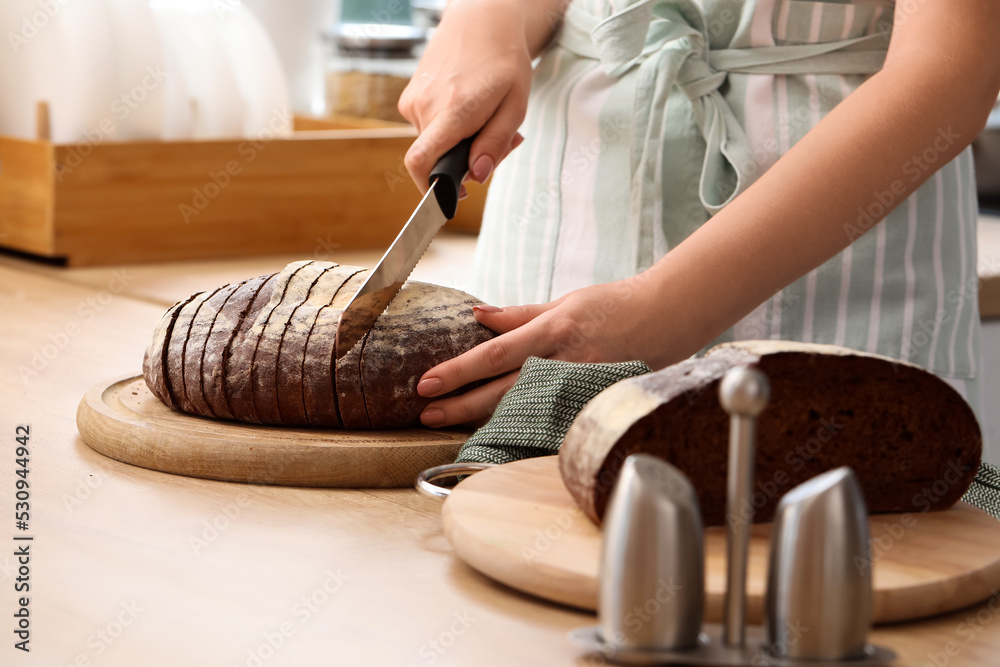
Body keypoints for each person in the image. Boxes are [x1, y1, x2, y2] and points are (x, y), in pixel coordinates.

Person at [397, 0, 1000, 461]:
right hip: (559, 228)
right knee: (519, 575)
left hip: (838, 277)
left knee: (824, 582)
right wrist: (483, 24)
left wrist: (668, 306)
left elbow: (954, 67)